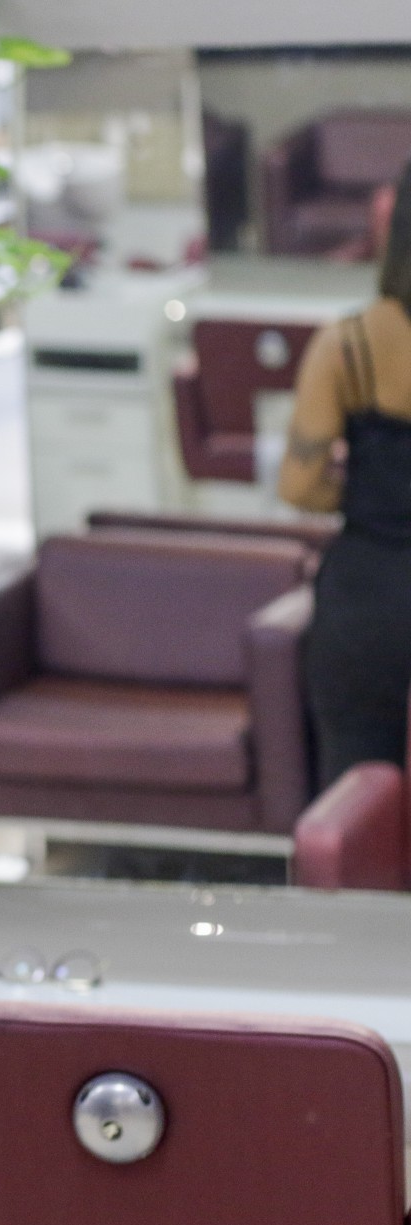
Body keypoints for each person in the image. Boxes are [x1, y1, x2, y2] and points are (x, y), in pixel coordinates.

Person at [280, 158, 411, 792]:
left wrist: (364, 492)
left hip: (369, 601)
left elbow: (299, 486)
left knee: (356, 800)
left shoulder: (346, 344)